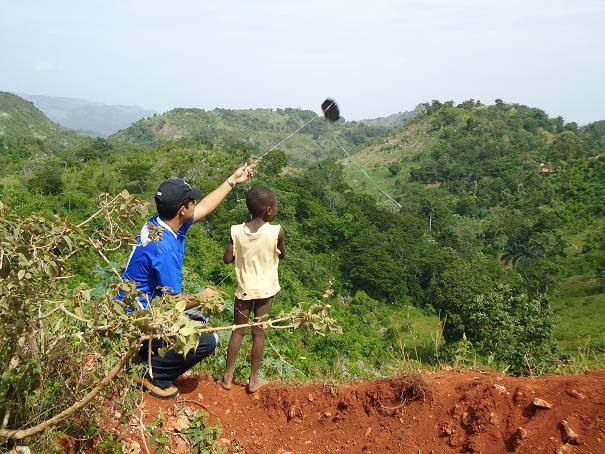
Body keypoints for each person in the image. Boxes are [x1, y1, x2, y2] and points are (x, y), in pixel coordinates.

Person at [123, 164, 254, 399]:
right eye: (191, 201)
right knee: (207, 338)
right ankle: (152, 375)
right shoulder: (165, 250)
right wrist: (202, 298)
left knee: (197, 319)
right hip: (140, 318)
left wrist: (233, 180)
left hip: (132, 308)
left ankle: (144, 354)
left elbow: (203, 208)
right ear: (182, 209)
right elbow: (172, 303)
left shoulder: (159, 224)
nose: (196, 204)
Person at [219, 186, 286, 393]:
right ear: (268, 211)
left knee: (238, 331)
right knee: (259, 334)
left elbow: (227, 258)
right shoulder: (277, 231)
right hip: (265, 291)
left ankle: (228, 377)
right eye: (275, 207)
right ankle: (253, 380)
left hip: (244, 290)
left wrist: (235, 246)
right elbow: (282, 255)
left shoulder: (236, 231)